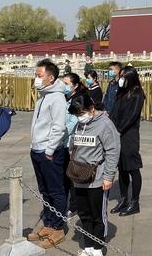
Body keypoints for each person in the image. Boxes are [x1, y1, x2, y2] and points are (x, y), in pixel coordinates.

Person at [68, 95, 120, 256]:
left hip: (97, 178)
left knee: (97, 214)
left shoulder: (105, 124)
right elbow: (73, 145)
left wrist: (108, 176)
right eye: (77, 115)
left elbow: (113, 150)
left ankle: (98, 247)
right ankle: (88, 245)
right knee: (84, 213)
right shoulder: (79, 124)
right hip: (79, 176)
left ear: (92, 109)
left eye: (82, 113)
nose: (80, 117)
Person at [27, 59, 68, 249]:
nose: (36, 78)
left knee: (56, 190)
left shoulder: (57, 97)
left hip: (49, 152)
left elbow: (59, 127)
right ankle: (49, 223)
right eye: (36, 75)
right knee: (44, 191)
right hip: (37, 149)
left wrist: (50, 150)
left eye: (39, 75)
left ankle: (58, 228)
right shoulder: (43, 96)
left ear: (50, 78)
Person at [109, 66, 145, 216]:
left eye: (123, 76)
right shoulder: (121, 92)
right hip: (117, 134)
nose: (120, 78)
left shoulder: (137, 93)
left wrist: (119, 130)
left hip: (128, 135)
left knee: (132, 168)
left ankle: (135, 202)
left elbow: (132, 116)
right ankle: (123, 198)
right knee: (122, 168)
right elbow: (114, 112)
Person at [61, 73, 88, 219]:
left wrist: (59, 134)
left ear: (75, 85)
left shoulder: (77, 100)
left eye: (66, 83)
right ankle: (67, 204)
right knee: (65, 176)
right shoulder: (64, 98)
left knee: (72, 176)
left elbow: (73, 123)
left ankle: (74, 205)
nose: (64, 86)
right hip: (62, 142)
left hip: (70, 142)